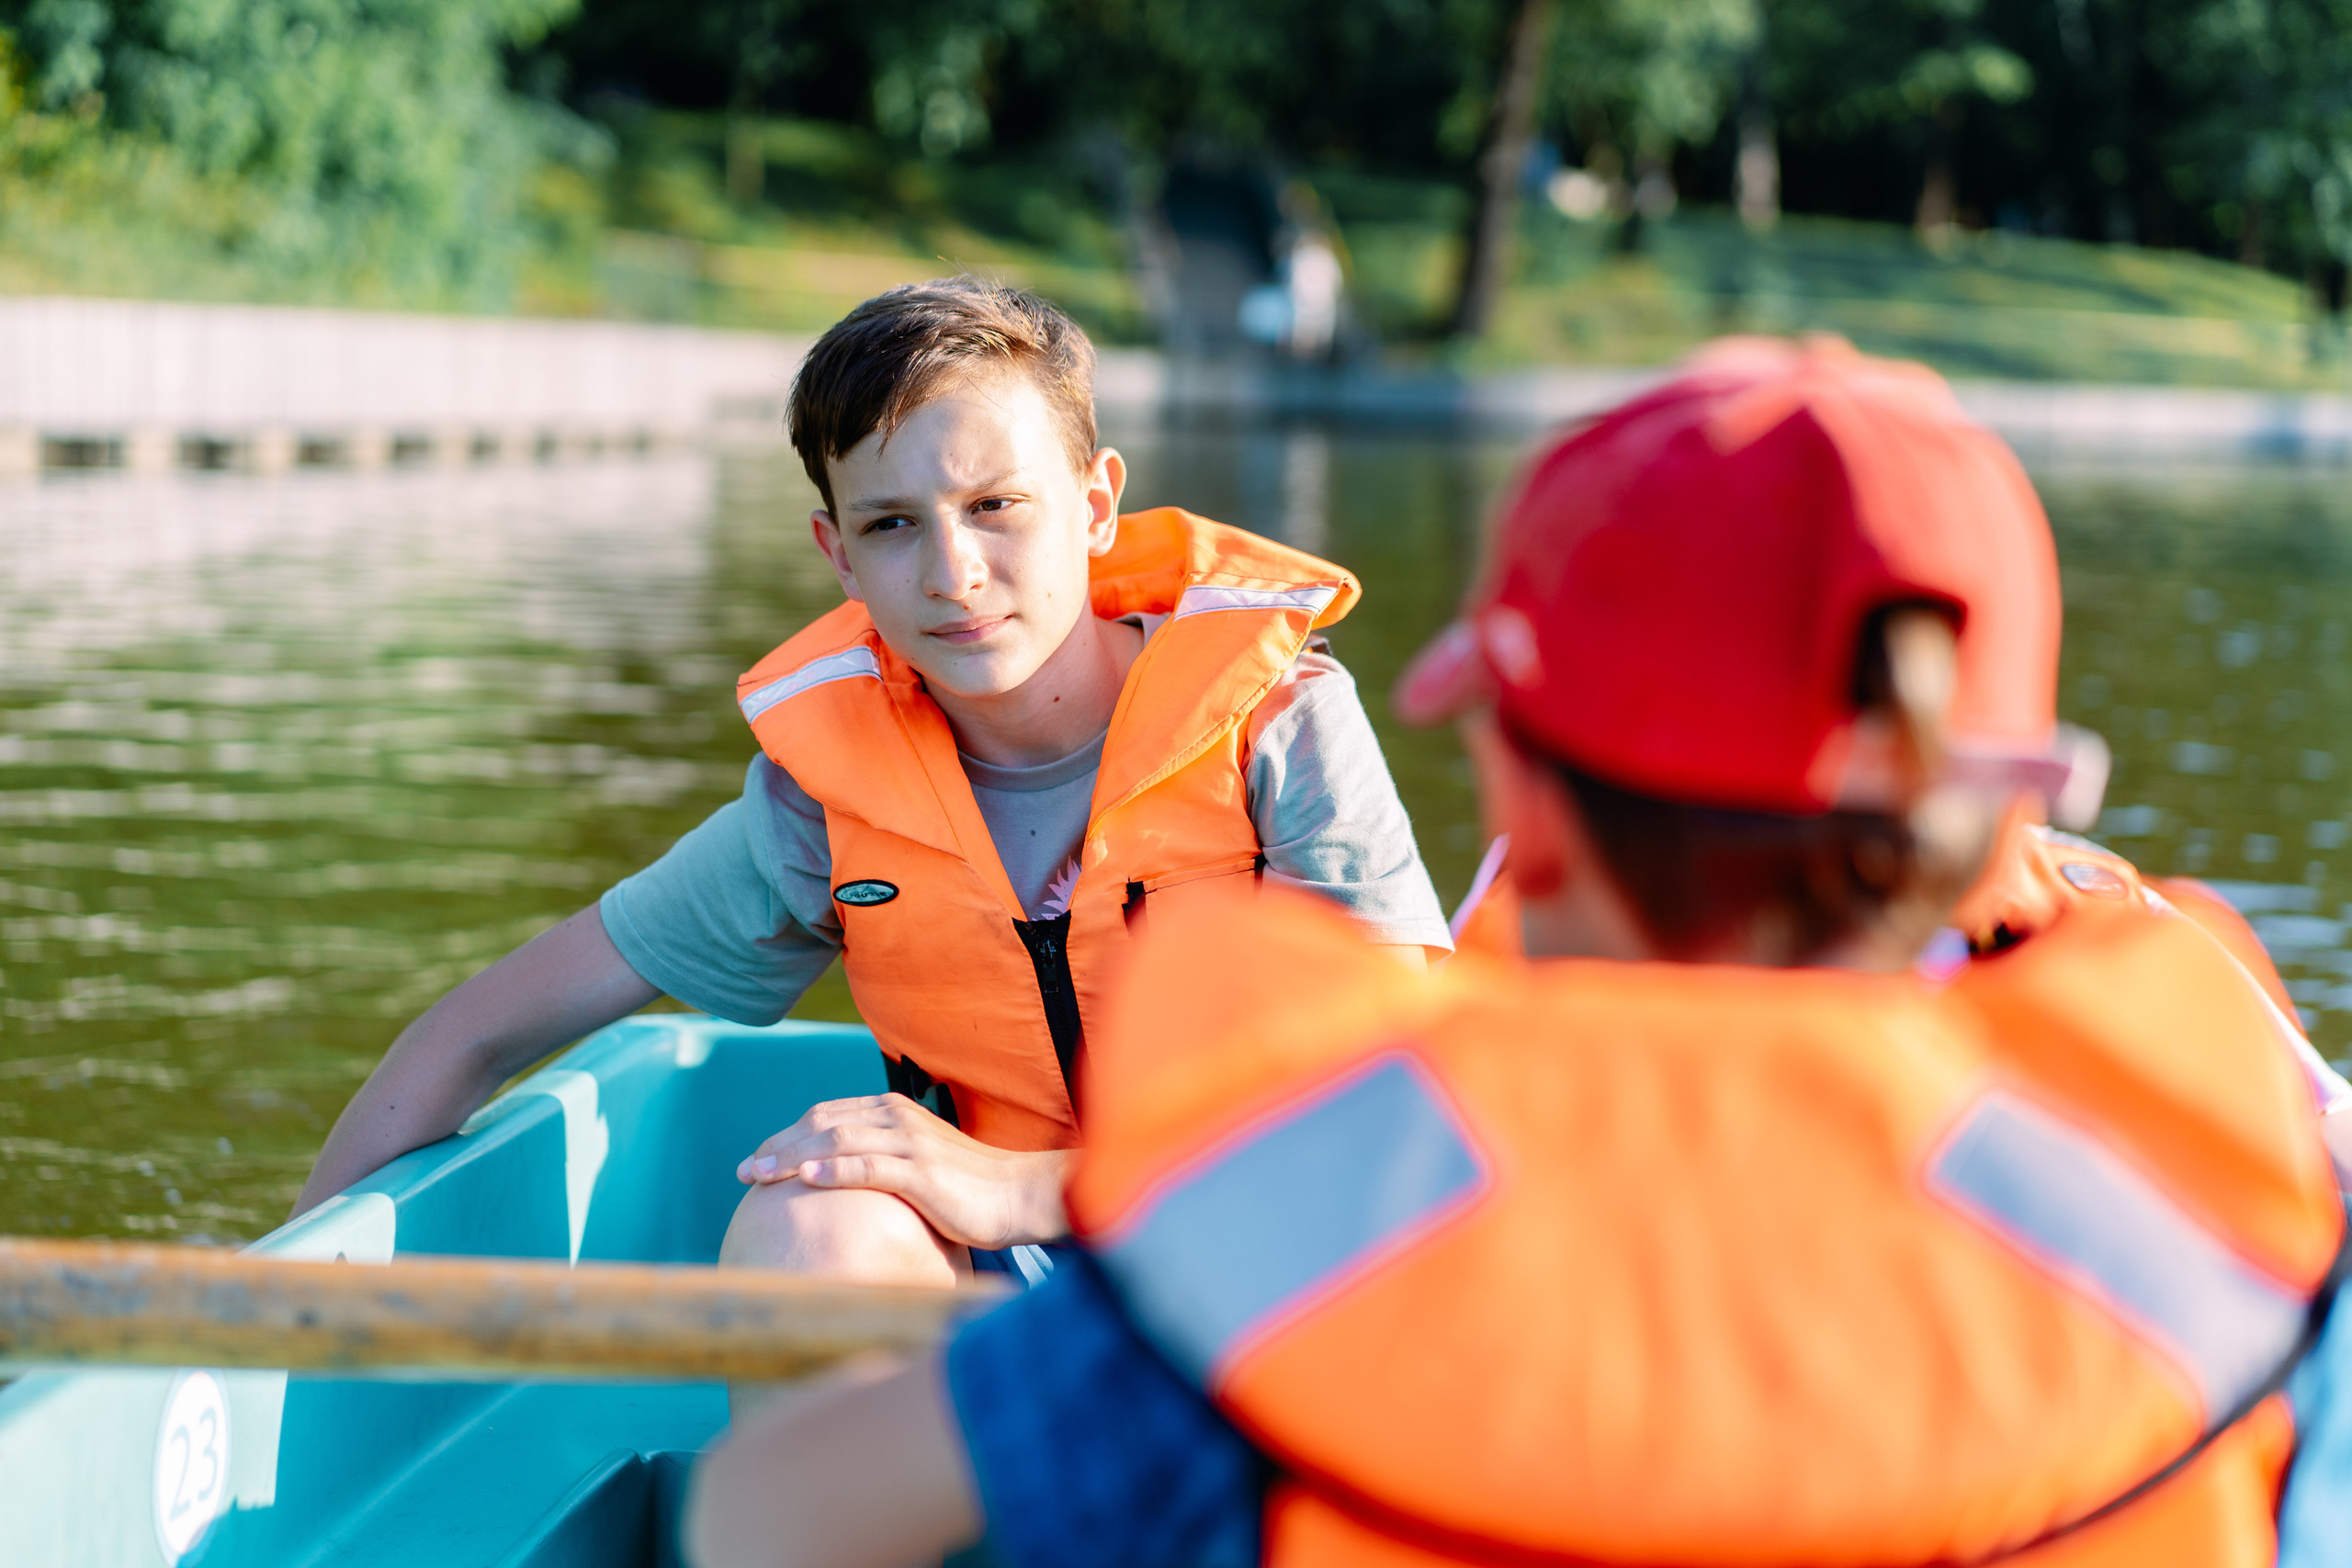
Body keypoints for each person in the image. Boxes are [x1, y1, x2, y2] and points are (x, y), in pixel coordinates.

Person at [684, 337, 2352, 1568]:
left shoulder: (1332, 1198)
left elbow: (765, 1518)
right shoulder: (2244, 1176)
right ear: (1999, 813)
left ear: (1517, 800)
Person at [290, 278, 1451, 1288]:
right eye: (894, 524)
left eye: (997, 506)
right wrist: (261, 1323)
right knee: (810, 1223)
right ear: (837, 554)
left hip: (1277, 1267)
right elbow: (472, 1038)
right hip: (1016, 1288)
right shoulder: (822, 807)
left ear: (1095, 507)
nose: (953, 573)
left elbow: (1396, 1117)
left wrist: (1028, 1189)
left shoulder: (1279, 725)